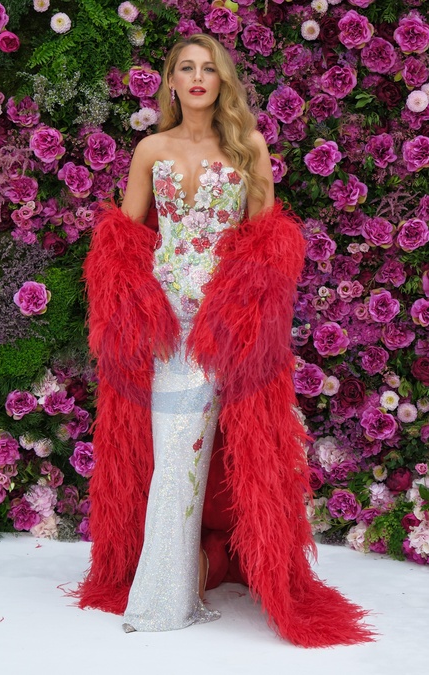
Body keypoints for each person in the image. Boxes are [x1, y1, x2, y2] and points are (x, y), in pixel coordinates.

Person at [74, 34, 375, 647]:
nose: (197, 77)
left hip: (221, 328)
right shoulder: (151, 149)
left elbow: (267, 248)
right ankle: (179, 580)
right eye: (185, 68)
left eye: (208, 68)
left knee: (185, 452)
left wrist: (243, 321)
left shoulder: (248, 147)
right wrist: (134, 314)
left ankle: (164, 599)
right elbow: (122, 243)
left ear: (222, 80)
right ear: (170, 81)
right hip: (165, 326)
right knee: (170, 453)